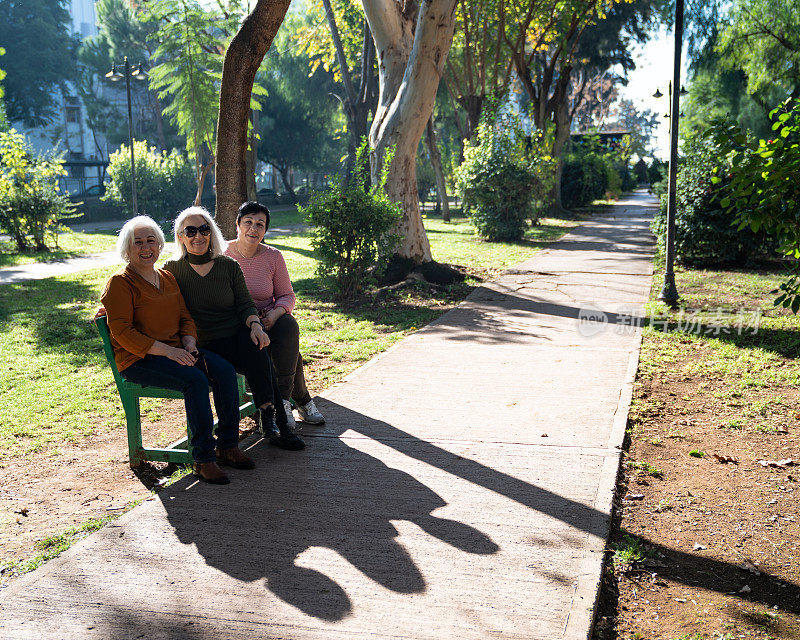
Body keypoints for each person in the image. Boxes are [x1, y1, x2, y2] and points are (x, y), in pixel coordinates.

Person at [101, 215, 254, 485]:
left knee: (224, 371)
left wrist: (189, 341)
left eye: (151, 241)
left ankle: (228, 447)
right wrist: (167, 351)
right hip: (140, 360)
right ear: (127, 248)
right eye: (138, 243)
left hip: (177, 351)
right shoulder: (120, 283)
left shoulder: (167, 277)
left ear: (160, 245)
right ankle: (203, 459)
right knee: (195, 381)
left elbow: (184, 316)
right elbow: (123, 332)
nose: (146, 248)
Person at [163, 206, 305, 451]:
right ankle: (272, 419)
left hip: (232, 336)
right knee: (257, 358)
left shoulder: (227, 265)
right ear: (180, 236)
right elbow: (149, 292)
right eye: (191, 231)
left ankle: (272, 419)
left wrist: (255, 326)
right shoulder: (172, 269)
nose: (198, 236)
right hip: (201, 343)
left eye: (204, 229)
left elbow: (245, 303)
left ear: (212, 233)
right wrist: (108, 309)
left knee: (257, 346)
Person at [225, 201, 325, 429]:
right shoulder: (223, 254)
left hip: (270, 319)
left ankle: (281, 402)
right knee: (292, 355)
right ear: (237, 224)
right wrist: (251, 321)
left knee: (288, 326)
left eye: (260, 224)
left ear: (266, 230)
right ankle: (299, 401)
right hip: (239, 324)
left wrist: (275, 315)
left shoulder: (273, 257)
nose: (253, 228)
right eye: (248, 222)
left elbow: (287, 295)